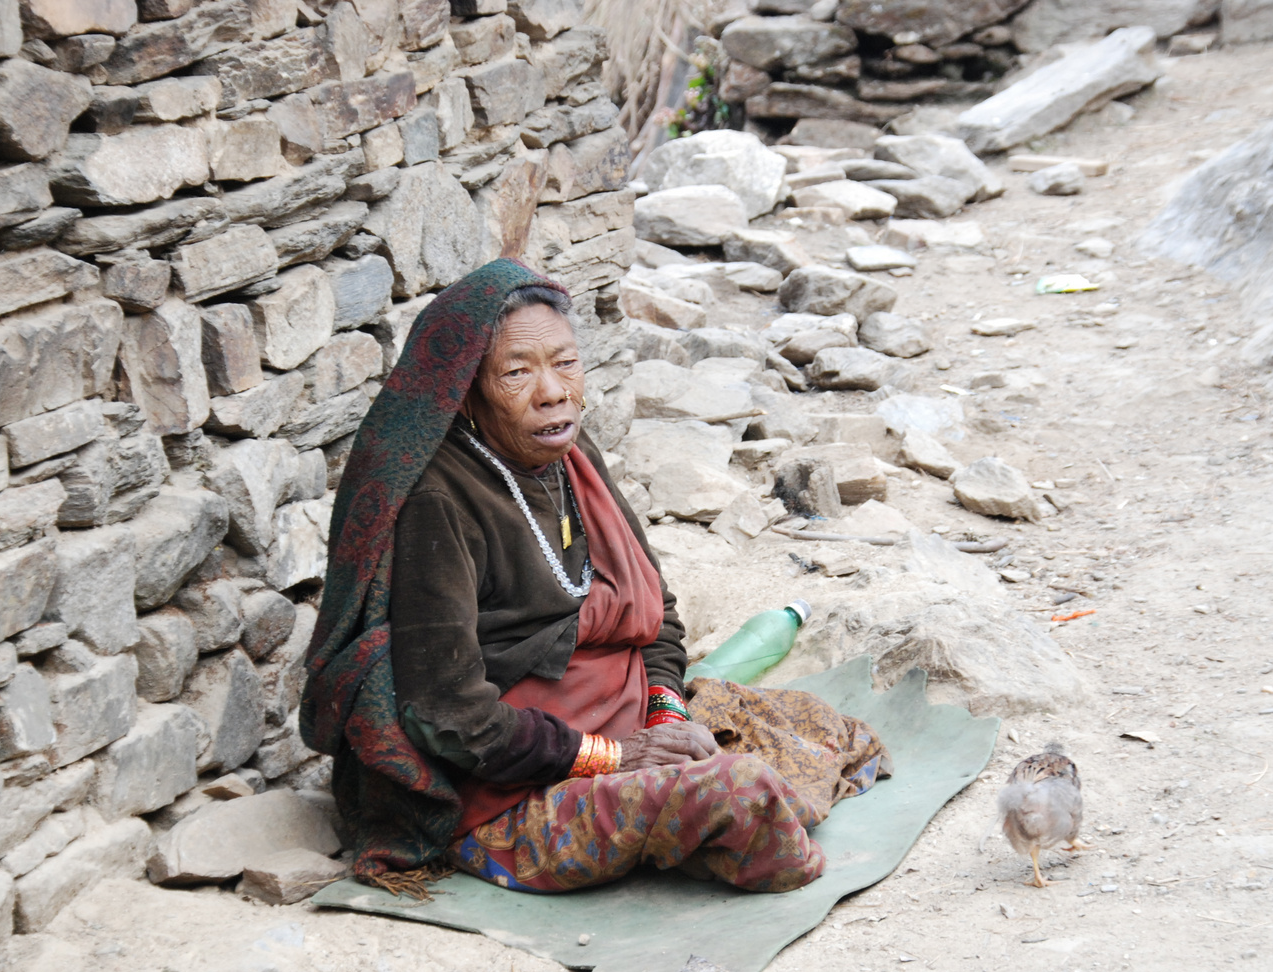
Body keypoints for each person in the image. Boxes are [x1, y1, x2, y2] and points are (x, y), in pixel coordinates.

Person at [301, 259, 889, 898]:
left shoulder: (572, 458)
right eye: (517, 373)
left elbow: (656, 610)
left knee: (826, 730)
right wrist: (616, 758)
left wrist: (662, 716)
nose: (552, 391)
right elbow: (450, 717)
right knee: (740, 795)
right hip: (517, 785)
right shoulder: (438, 502)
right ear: (467, 390)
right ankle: (678, 825)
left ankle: (677, 822)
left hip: (627, 717)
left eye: (566, 363)